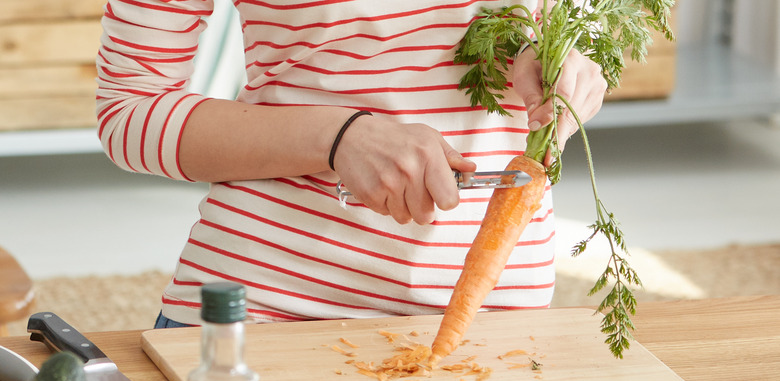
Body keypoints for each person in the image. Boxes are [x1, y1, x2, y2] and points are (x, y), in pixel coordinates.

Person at [95, 0, 607, 327]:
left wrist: (568, 65)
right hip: (271, 307)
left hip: (499, 312)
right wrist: (338, 137)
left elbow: (579, 27)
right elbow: (129, 110)